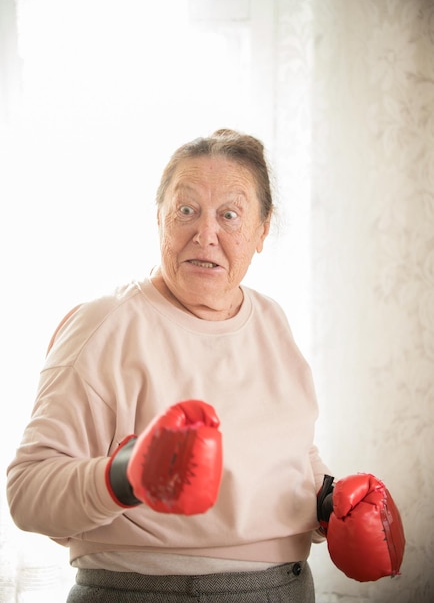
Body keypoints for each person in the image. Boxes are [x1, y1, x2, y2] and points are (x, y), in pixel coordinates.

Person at [6, 129, 404, 602]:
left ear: (261, 231)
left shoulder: (272, 319)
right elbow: (27, 492)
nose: (205, 234)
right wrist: (124, 477)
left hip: (286, 588)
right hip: (143, 591)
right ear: (159, 218)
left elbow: (291, 453)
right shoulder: (103, 324)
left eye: (229, 215)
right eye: (186, 210)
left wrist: (328, 502)